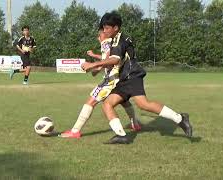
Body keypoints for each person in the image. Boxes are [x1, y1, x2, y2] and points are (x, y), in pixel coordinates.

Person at [81, 12, 193, 144]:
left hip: (132, 76)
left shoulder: (119, 40)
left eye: (106, 28)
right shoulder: (118, 39)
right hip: (124, 79)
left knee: (143, 104)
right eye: (103, 28)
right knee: (108, 104)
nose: (104, 31)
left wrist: (93, 64)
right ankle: (121, 136)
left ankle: (180, 119)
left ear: (115, 28)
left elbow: (114, 60)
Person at [60, 29, 141, 139]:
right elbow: (107, 58)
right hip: (121, 78)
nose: (99, 38)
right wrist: (96, 65)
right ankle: (135, 124)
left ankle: (75, 131)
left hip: (111, 79)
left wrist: (93, 66)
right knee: (125, 102)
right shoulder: (113, 42)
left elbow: (109, 58)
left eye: (100, 35)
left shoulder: (106, 43)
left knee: (91, 101)